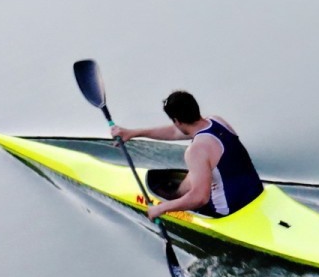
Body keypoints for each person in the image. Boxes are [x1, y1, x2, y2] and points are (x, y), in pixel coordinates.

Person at [111, 90, 264, 219]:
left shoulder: (196, 151)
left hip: (228, 211)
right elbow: (173, 131)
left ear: (177, 120)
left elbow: (200, 198)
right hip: (256, 194)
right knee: (198, 171)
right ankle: (177, 194)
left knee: (196, 179)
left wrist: (162, 208)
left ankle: (173, 197)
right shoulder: (218, 122)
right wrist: (133, 133)